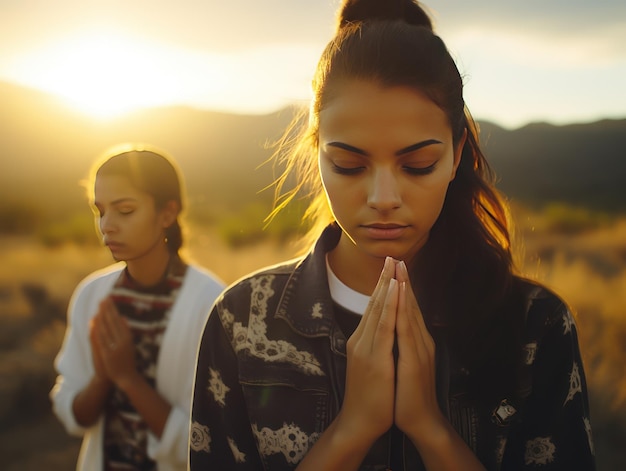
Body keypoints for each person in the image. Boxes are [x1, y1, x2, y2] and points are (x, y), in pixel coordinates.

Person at [189, 0, 596, 469]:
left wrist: (430, 428)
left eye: (418, 165)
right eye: (349, 165)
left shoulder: (534, 326)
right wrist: (352, 429)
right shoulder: (242, 322)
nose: (384, 197)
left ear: (457, 152)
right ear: (316, 147)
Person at [50, 144, 224, 471]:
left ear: (167, 213)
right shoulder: (92, 294)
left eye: (125, 210)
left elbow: (207, 441)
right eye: (100, 211)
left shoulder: (211, 303)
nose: (106, 226)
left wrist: (128, 378)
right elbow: (71, 412)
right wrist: (103, 377)